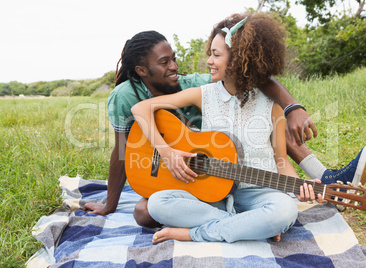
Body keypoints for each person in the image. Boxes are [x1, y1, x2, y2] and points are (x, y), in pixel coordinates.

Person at [82, 25, 366, 225]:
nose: (174, 66)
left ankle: (323, 176)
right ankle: (246, 221)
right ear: (142, 70)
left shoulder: (190, 84)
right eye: (164, 62)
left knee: (261, 112)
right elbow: (121, 151)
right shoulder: (124, 97)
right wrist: (110, 203)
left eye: (173, 58)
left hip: (224, 160)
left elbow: (257, 79)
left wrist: (291, 106)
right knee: (144, 213)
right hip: (176, 173)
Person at [131, 13, 324, 243]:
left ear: (239, 60)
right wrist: (166, 151)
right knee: (157, 203)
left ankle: (195, 233)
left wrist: (302, 187)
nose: (209, 61)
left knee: (285, 211)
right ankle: (247, 225)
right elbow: (141, 109)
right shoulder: (203, 95)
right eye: (210, 54)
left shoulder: (272, 107)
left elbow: (281, 160)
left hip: (259, 193)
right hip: (212, 196)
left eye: (216, 55)